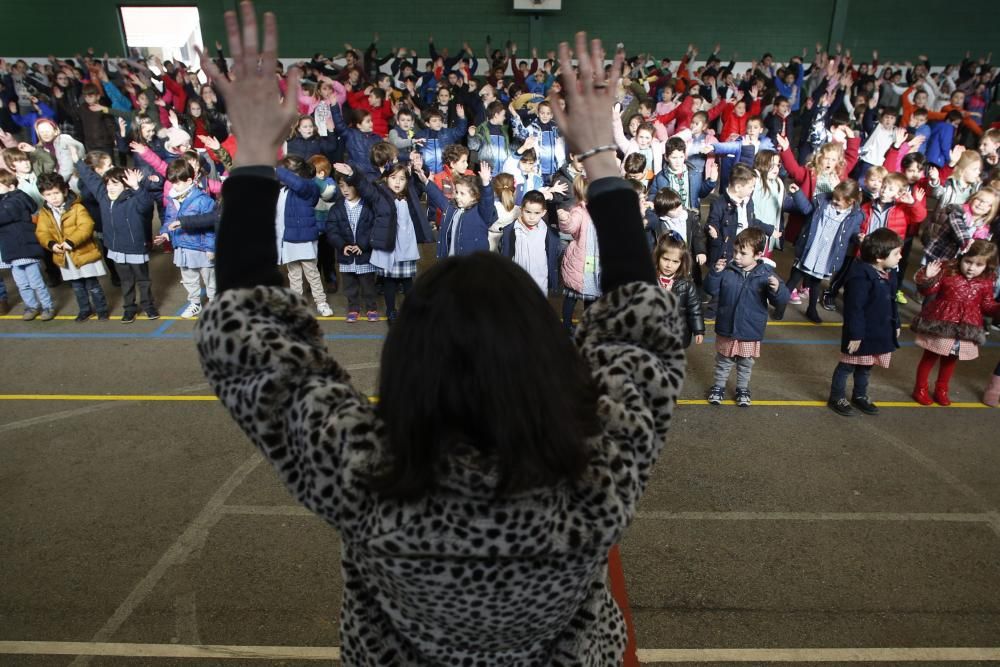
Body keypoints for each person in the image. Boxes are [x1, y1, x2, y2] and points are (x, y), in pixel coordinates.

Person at [194, 11, 683, 666]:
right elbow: (643, 326)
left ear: (406, 367)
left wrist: (253, 154)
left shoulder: (364, 476)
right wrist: (600, 155)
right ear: (546, 359)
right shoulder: (598, 472)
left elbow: (243, 331)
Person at [703, 227, 789, 407]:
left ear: (758, 255)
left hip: (750, 329)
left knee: (745, 363)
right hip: (727, 326)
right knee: (723, 361)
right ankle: (718, 386)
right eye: (735, 251)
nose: (737, 256)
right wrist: (715, 273)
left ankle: (742, 388)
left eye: (743, 253)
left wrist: (777, 289)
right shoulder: (727, 269)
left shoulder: (766, 274)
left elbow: (781, 300)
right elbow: (711, 289)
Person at [910, 241, 1000, 406]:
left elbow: (987, 305)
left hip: (966, 326)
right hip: (941, 322)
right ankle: (920, 388)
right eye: (968, 261)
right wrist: (927, 277)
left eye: (979, 265)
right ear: (962, 257)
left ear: (988, 266)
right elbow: (928, 291)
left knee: (951, 360)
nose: (971, 268)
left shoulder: (986, 281)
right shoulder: (948, 271)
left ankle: (941, 389)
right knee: (930, 357)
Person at [827, 228, 903, 417]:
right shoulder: (860, 277)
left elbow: (892, 301)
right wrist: (856, 334)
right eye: (896, 253)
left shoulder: (889, 274)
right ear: (879, 257)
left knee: (867, 366)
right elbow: (854, 309)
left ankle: (859, 395)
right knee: (847, 366)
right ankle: (836, 396)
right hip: (860, 333)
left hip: (879, 331)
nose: (900, 257)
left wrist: (897, 324)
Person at [776, 180, 865, 323]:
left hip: (826, 254)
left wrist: (858, 237)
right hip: (810, 248)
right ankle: (780, 305)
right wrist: (798, 194)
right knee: (794, 278)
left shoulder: (856, 216)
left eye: (838, 200)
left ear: (851, 201)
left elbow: (853, 233)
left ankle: (811, 309)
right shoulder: (823, 201)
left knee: (816, 283)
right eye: (834, 197)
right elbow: (806, 210)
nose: (834, 201)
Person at [34, 172, 109, 321]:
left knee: (92, 284)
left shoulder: (77, 208)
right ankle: (84, 309)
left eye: (56, 193)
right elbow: (42, 232)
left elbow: (86, 226)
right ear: (43, 196)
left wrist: (70, 242)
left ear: (65, 191)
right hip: (65, 257)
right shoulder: (44, 213)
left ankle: (102, 309)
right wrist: (51, 244)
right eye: (48, 194)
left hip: (83, 253)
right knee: (76, 286)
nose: (53, 197)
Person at [0, 169, 54, 320]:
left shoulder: (15, 201)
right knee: (22, 284)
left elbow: (5, 215)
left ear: (11, 187)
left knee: (36, 283)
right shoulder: (8, 200)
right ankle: (32, 306)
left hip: (26, 249)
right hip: (12, 252)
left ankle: (47, 306)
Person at [653, 233, 704, 348]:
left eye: (675, 261)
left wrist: (698, 330)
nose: (669, 265)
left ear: (682, 263)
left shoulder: (686, 284)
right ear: (657, 257)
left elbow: (694, 309)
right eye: (665, 259)